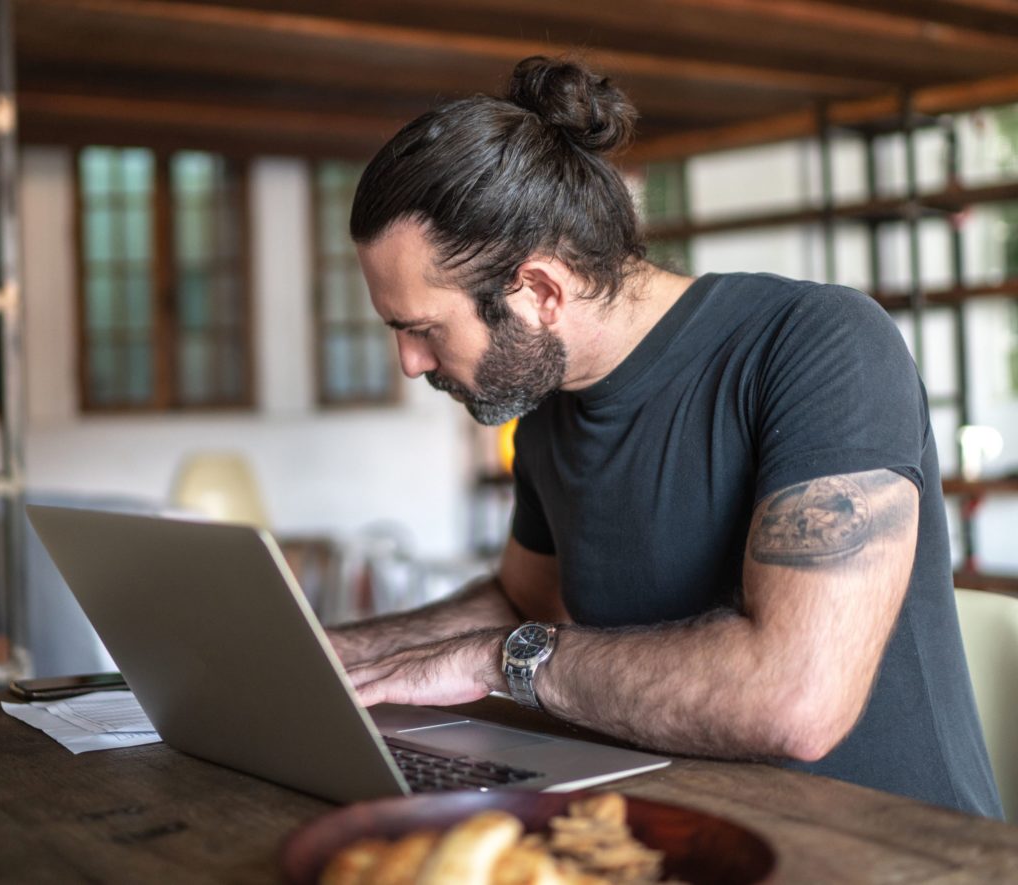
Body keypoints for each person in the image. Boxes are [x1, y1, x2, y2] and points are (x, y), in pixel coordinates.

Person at [328, 55, 1003, 818]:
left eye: (420, 329)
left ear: (542, 290)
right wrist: (329, 655)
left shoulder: (823, 344)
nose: (411, 362)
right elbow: (522, 601)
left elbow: (796, 698)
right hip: (675, 826)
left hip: (895, 855)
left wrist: (492, 661)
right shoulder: (549, 402)